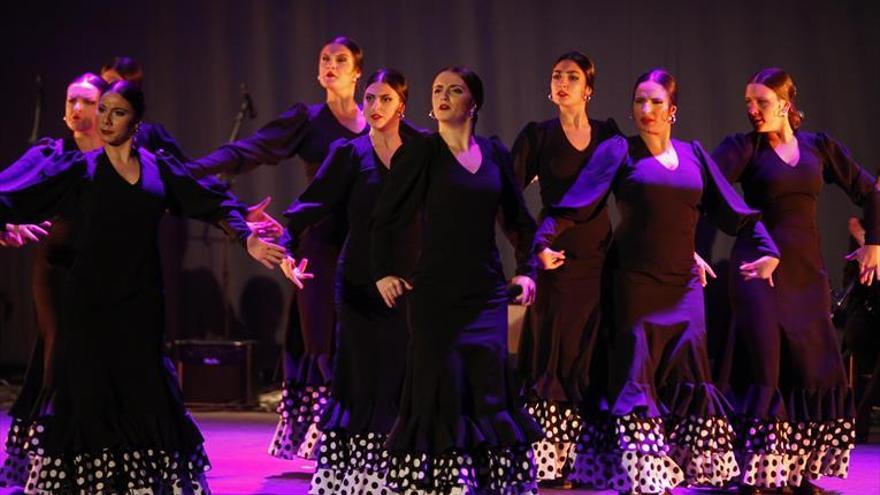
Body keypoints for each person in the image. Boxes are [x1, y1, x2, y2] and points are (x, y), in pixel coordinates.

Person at [0, 80, 285, 494]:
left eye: (116, 112)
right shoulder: (79, 170)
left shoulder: (158, 167)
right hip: (89, 301)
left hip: (142, 300)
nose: (105, 118)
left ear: (136, 122)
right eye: (104, 111)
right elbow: (14, 196)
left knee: (146, 386)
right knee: (89, 389)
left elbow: (209, 200)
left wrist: (247, 237)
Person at [536, 69, 780, 495]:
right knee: (637, 372)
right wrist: (541, 242)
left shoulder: (694, 155)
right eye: (638, 102)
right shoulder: (619, 151)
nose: (645, 110)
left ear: (672, 110)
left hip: (683, 287)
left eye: (654, 102)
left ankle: (671, 469)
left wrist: (769, 250)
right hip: (634, 284)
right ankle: (644, 478)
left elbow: (736, 212)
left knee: (686, 373)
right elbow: (576, 203)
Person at [188, 36, 369, 460]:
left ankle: (363, 430)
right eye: (324, 59)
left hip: (364, 245)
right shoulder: (309, 120)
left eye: (340, 60)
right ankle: (329, 440)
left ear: (356, 72)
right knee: (322, 339)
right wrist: (189, 171)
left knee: (363, 338)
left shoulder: (376, 119)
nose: (330, 65)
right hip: (321, 242)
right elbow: (250, 150)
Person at [370, 66, 542, 494]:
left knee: (486, 385)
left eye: (455, 90)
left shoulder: (495, 153)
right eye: (437, 90)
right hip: (435, 296)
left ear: (474, 102)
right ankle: (439, 483)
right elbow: (385, 218)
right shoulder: (421, 153)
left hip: (485, 293)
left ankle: (484, 483)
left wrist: (526, 270)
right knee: (440, 384)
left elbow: (519, 220)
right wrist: (383, 271)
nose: (443, 96)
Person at [712, 68, 879, 494]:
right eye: (747, 102)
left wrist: (875, 243)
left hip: (806, 273)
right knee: (765, 362)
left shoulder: (817, 147)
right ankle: (755, 474)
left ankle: (796, 474)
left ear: (785, 105)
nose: (752, 110)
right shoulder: (744, 148)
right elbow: (706, 189)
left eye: (761, 103)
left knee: (806, 367)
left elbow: (871, 191)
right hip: (758, 270)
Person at [273, 67, 422, 494]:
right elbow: (309, 205)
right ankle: (356, 476)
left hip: (408, 284)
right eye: (371, 98)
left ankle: (400, 472)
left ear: (402, 105)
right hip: (357, 284)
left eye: (386, 99)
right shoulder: (349, 153)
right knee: (358, 374)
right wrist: (284, 245)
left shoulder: (422, 152)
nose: (375, 107)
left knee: (401, 373)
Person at [511, 51, 621, 485]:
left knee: (590, 352)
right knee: (554, 354)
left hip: (599, 263)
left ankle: (589, 461)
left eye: (572, 77)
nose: (562, 82)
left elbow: (633, 189)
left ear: (588, 89)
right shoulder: (538, 136)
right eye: (556, 75)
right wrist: (531, 252)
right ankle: (550, 462)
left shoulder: (608, 136)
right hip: (554, 262)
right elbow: (508, 195)